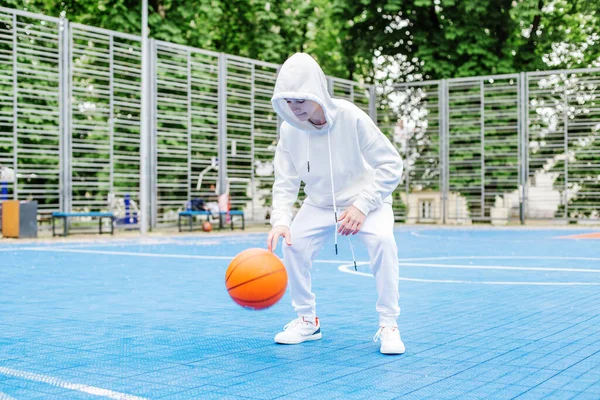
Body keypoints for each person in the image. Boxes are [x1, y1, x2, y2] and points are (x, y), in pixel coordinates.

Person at [266, 53, 405, 355]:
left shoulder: (351, 116)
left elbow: (392, 164)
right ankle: (307, 319)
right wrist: (280, 221)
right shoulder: (289, 130)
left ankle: (389, 324)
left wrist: (362, 205)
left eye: (300, 99)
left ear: (316, 92)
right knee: (293, 244)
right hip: (318, 204)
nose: (295, 108)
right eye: (288, 101)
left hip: (367, 201)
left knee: (383, 241)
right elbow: (285, 181)